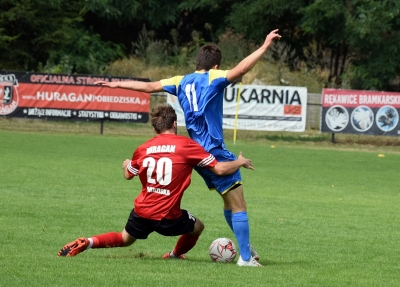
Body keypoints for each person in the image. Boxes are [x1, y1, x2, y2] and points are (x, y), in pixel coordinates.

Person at [95, 29, 281, 266]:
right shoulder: (213, 78)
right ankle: (245, 258)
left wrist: (115, 84)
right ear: (215, 66)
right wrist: (264, 46)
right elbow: (242, 69)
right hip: (214, 152)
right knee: (239, 205)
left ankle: (247, 249)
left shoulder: (180, 80)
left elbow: (150, 87)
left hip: (195, 153)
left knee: (228, 202)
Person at [58, 104, 254, 259]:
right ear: (175, 124)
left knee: (125, 238)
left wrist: (127, 164)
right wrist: (239, 162)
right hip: (169, 216)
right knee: (198, 227)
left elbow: (128, 175)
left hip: (142, 211)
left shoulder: (143, 149)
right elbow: (219, 170)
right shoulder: (187, 145)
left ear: (155, 127)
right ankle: (175, 255)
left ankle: (88, 242)